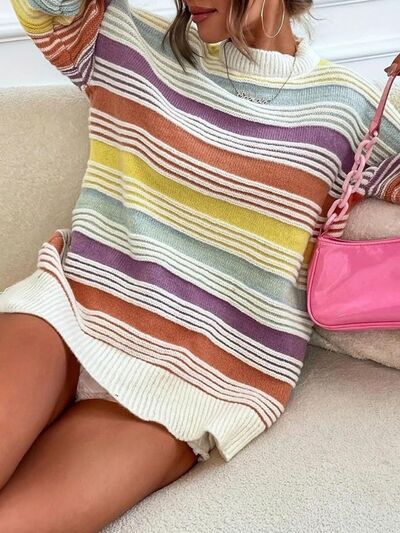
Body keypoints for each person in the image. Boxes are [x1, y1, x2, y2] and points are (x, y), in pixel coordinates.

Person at [0, 0, 399, 530]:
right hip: (65, 316)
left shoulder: (350, 109)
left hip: (197, 382)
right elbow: (45, 8)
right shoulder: (122, 40)